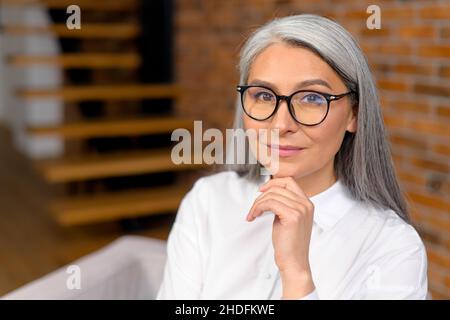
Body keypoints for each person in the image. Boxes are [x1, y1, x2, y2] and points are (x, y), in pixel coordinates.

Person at [157, 14, 428, 300]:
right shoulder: (208, 201)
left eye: (311, 98)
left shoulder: (393, 247)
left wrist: (297, 275)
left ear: (354, 114)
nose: (280, 125)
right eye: (263, 96)